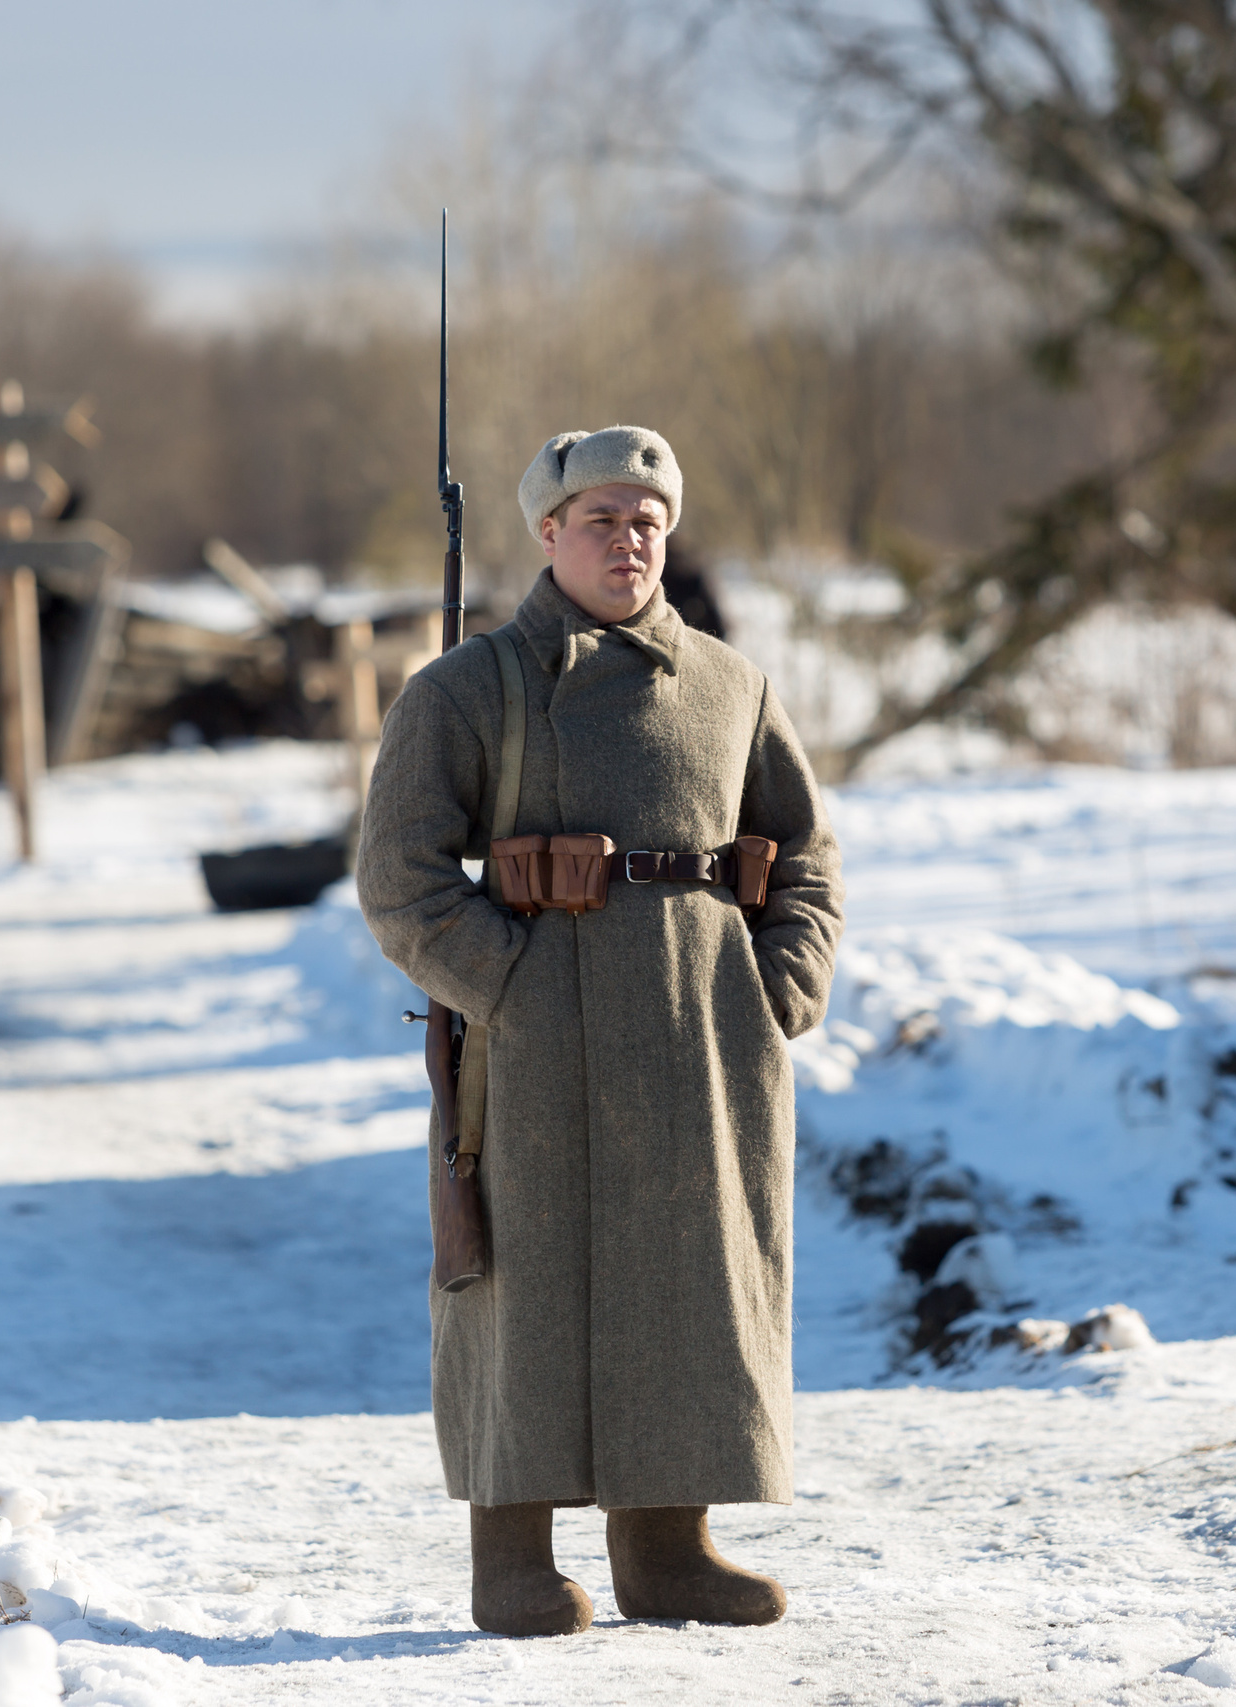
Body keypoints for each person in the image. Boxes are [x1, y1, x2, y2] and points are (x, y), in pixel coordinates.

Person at [357, 425, 844, 1636]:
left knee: (691, 1281)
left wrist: (776, 985)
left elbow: (807, 856)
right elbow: (398, 874)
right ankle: (510, 1557)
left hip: (703, 1040)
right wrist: (504, 983)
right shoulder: (465, 690)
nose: (628, 541)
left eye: (648, 522)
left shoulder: (733, 687)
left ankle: (670, 1551)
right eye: (601, 520)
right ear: (547, 534)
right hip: (530, 1044)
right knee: (518, 1281)